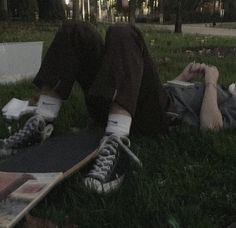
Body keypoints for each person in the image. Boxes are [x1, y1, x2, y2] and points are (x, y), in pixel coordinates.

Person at [0, 22, 236, 194]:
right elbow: (152, 89)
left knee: (125, 33)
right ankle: (41, 121)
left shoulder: (230, 99)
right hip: (123, 100)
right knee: (76, 31)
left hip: (156, 119)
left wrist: (211, 82)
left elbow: (212, 126)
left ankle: (117, 143)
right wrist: (182, 77)